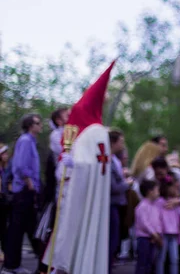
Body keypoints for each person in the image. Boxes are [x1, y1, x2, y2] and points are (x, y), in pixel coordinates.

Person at [41, 61, 115, 274]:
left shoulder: (96, 132)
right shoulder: (84, 132)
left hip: (84, 195)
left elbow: (96, 165)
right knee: (66, 232)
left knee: (78, 231)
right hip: (73, 192)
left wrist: (77, 165)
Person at [3, 113, 43, 273]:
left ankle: (14, 264)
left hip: (28, 191)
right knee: (18, 229)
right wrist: (29, 183)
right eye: (38, 122)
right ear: (30, 126)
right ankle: (11, 266)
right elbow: (19, 166)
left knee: (25, 227)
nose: (41, 125)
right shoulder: (26, 141)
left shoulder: (31, 142)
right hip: (24, 191)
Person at [110, 129, 133, 271]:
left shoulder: (114, 160)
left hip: (118, 204)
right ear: (113, 142)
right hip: (113, 204)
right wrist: (127, 183)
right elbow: (113, 187)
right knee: (112, 241)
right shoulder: (110, 161)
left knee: (115, 240)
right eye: (121, 141)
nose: (122, 144)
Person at [135, 180, 163, 274]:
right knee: (142, 263)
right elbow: (144, 223)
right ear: (150, 191)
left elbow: (158, 221)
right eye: (157, 190)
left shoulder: (155, 206)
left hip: (153, 238)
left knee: (150, 263)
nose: (158, 192)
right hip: (144, 238)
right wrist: (154, 234)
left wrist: (158, 233)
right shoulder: (142, 206)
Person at [156, 177, 180, 274]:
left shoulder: (176, 202)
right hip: (163, 233)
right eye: (172, 187)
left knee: (174, 258)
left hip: (174, 233)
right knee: (161, 258)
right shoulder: (159, 201)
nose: (175, 189)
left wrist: (178, 201)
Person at [0, 144, 9, 262]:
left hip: (3, 199)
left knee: (3, 228)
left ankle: (4, 251)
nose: (7, 156)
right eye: (4, 153)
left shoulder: (5, 168)